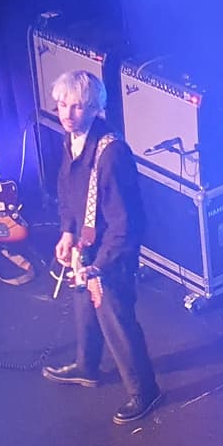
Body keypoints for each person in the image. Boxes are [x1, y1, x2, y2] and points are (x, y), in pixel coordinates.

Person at [40, 69, 163, 425]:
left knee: (116, 318)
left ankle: (145, 391)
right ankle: (87, 366)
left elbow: (126, 222)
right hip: (86, 244)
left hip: (113, 251)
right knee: (84, 306)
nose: (67, 114)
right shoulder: (72, 139)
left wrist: (102, 264)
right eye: (62, 105)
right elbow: (67, 189)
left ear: (95, 109)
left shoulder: (111, 153)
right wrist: (67, 232)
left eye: (77, 107)